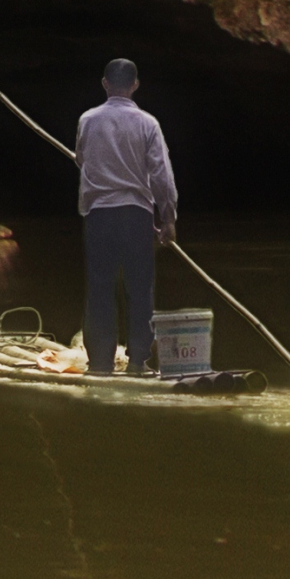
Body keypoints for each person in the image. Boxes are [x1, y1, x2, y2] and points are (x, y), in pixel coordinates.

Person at [77, 57, 181, 374]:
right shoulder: (148, 124)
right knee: (139, 289)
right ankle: (137, 362)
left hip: (99, 216)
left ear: (105, 84)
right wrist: (169, 217)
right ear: (135, 85)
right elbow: (161, 174)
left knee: (99, 288)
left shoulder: (88, 120)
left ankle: (100, 364)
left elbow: (82, 159)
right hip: (136, 215)